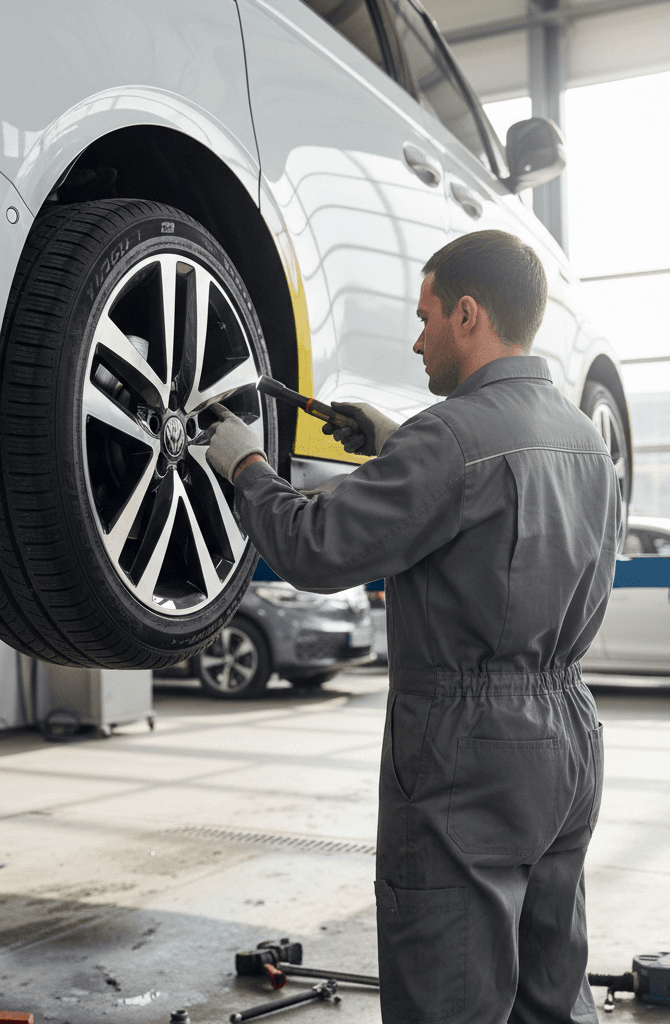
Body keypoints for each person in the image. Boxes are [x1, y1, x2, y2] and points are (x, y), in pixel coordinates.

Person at [206, 229, 619, 1024]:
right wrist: (394, 444)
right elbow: (492, 499)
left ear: (469, 315)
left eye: (427, 316)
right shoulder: (584, 441)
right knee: (552, 992)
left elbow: (315, 548)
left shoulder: (449, 437)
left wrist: (245, 467)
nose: (418, 337)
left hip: (469, 749)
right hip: (567, 737)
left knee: (449, 992)